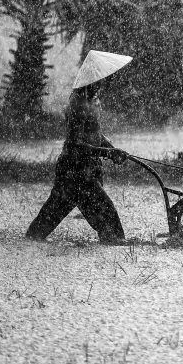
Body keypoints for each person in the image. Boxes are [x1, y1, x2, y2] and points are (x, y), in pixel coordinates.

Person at [25, 50, 134, 245]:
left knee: (49, 217)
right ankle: (114, 244)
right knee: (107, 217)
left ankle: (30, 241)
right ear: (93, 80)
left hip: (84, 172)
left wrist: (111, 149)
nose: (104, 83)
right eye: (101, 80)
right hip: (76, 172)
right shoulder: (78, 104)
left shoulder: (92, 101)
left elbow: (94, 135)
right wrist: (107, 153)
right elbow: (76, 144)